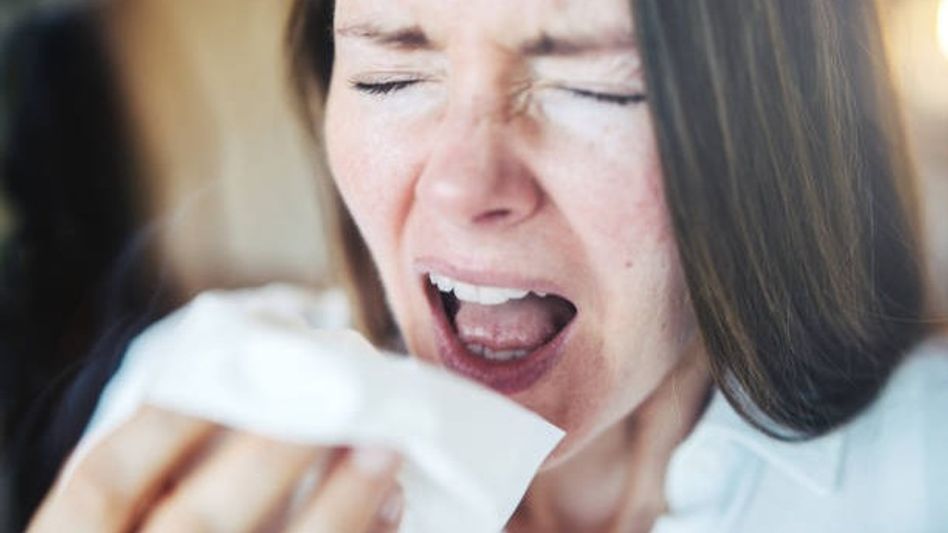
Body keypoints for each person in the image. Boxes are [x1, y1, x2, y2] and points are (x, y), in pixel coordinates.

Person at [17, 0, 948, 532]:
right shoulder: (199, 404)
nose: (465, 183)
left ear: (775, 131)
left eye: (595, 83)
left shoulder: (922, 472)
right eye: (390, 74)